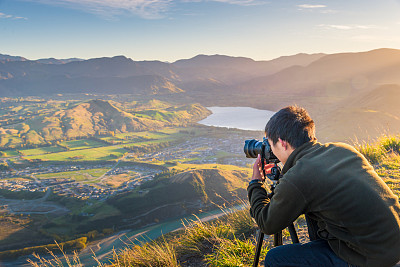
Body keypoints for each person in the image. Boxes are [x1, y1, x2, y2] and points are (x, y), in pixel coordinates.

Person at [247, 106, 400, 267]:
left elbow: (267, 223)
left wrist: (256, 184)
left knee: (275, 258)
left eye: (271, 145)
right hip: (392, 245)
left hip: (372, 259)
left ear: (283, 144)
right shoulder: (343, 149)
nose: (271, 151)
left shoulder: (299, 176)